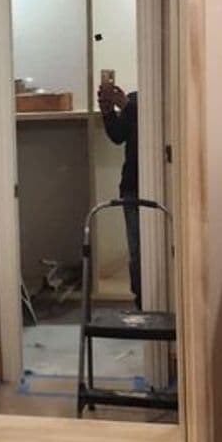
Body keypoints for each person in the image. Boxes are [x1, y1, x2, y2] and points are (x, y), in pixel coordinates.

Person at [97, 79, 141, 309]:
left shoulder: (155, 103)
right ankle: (140, 303)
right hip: (131, 185)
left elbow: (152, 131)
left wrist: (126, 107)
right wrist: (108, 112)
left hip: (152, 185)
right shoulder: (134, 100)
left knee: (149, 251)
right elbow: (118, 136)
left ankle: (149, 302)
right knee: (136, 252)